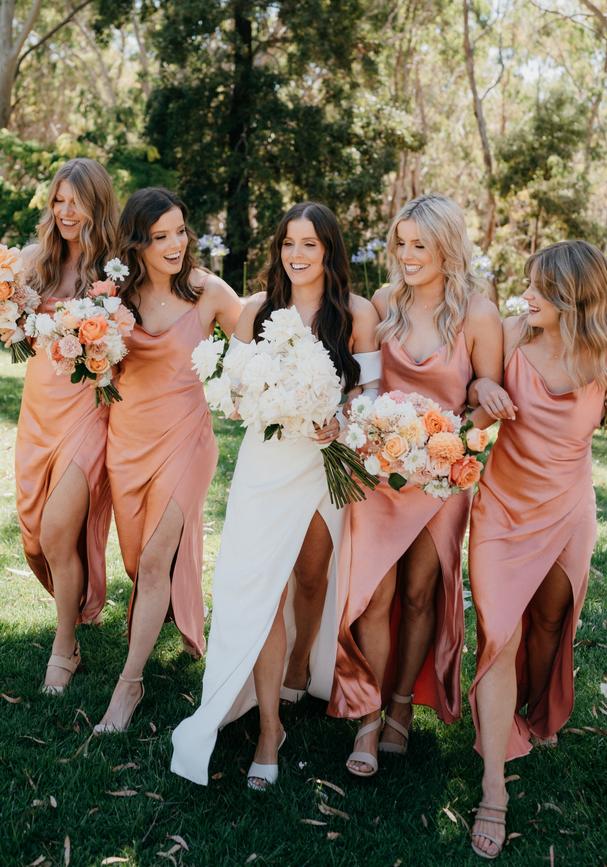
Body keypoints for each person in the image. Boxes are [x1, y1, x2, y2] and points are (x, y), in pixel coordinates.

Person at [171, 201, 381, 789]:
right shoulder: (257, 310)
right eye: (289, 243)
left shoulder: (357, 314)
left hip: (323, 468)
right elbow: (233, 395)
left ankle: (296, 671)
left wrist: (339, 419)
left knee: (312, 579)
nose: (297, 255)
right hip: (265, 469)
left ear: (329, 250)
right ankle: (269, 728)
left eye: (310, 244)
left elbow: (370, 396)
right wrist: (257, 398)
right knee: (263, 590)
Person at [467, 240, 607, 859]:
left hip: (568, 512)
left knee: (549, 624)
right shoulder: (512, 332)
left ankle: (532, 710)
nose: (527, 294)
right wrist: (484, 398)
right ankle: (494, 785)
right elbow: (473, 406)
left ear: (574, 296)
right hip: (500, 510)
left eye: (541, 287)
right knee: (499, 634)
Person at [328, 194, 503, 778]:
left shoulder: (478, 314)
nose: (405, 255)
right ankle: (369, 717)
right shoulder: (383, 302)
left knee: (420, 595)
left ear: (447, 247)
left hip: (443, 478)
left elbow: (484, 393)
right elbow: (365, 385)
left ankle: (402, 704)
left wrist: (462, 422)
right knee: (376, 594)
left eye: (418, 245)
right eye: (400, 242)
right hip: (383, 473)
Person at [93, 187, 242, 734]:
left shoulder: (209, 292)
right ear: (138, 243)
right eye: (161, 237)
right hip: (127, 444)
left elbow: (264, 341)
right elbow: (88, 364)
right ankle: (182, 615)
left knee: (153, 562)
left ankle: (127, 686)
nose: (176, 244)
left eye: (181, 231)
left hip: (187, 439)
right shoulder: (111, 299)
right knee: (139, 563)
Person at [7, 158, 118, 694]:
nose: (66, 211)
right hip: (38, 412)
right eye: (59, 200)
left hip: (87, 414)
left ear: (97, 205)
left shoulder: (116, 269)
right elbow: (13, 329)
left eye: (76, 200)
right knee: (38, 539)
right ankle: (80, 602)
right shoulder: (35, 263)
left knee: (56, 531)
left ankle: (65, 647)